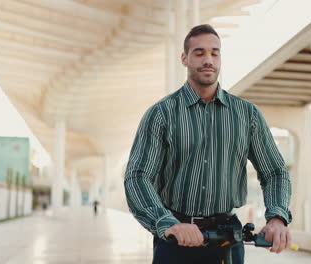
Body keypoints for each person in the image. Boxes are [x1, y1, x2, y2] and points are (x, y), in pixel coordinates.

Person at [125, 24, 292, 264]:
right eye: (199, 52)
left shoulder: (247, 115)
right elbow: (138, 176)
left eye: (215, 53)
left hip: (227, 239)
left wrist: (277, 217)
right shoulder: (161, 114)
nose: (208, 60)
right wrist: (166, 222)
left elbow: (275, 171)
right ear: (185, 58)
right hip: (175, 238)